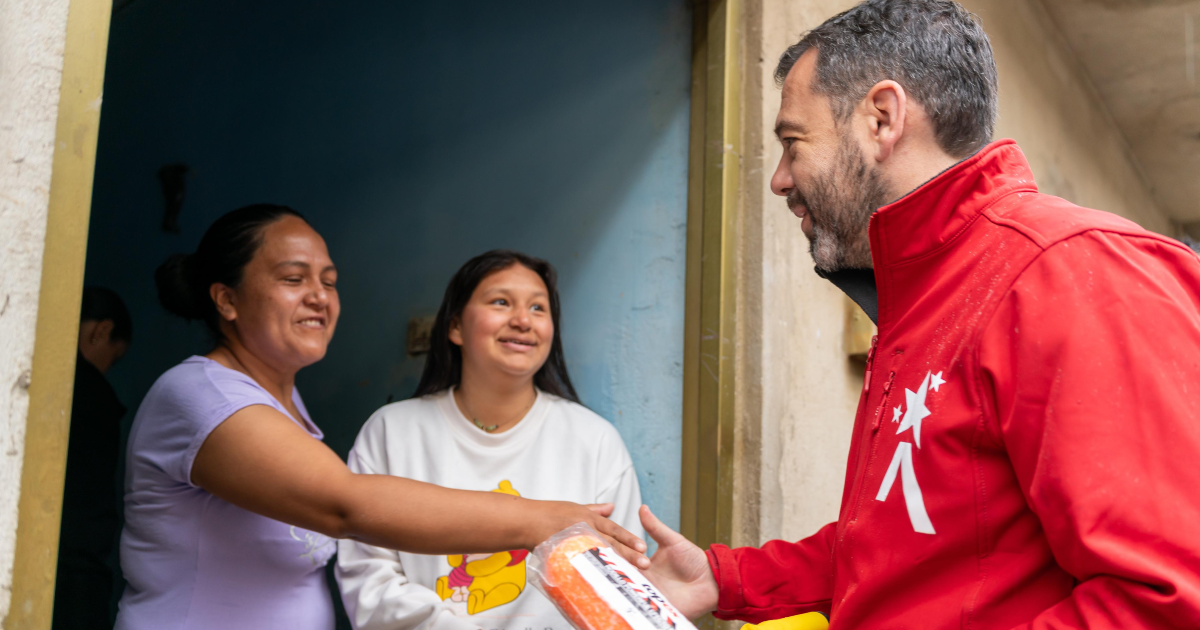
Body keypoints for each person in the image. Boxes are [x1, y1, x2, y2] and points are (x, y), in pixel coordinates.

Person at [638, 1, 1200, 628]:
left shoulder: (1065, 272)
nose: (780, 179)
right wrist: (723, 578)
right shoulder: (929, 299)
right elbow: (902, 548)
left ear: (882, 118)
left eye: (794, 143)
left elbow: (1165, 599)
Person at [116, 205, 645, 630]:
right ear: (226, 300)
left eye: (329, 279)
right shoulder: (200, 395)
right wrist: (538, 520)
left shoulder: (288, 408)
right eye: (293, 278)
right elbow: (346, 506)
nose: (319, 297)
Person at [336, 250, 645, 630]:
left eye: (537, 308)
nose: (522, 321)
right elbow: (371, 581)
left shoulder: (594, 441)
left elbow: (621, 586)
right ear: (455, 327)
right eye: (501, 302)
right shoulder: (392, 431)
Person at [54, 287, 132, 630]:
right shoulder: (93, 398)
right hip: (72, 580)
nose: (107, 370)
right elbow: (88, 512)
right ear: (100, 331)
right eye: (113, 359)